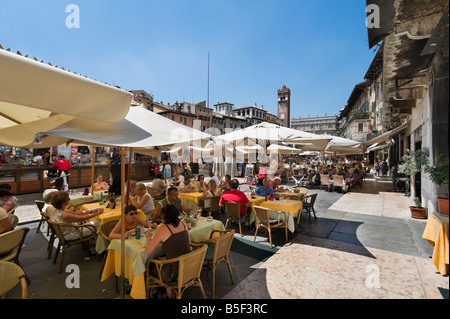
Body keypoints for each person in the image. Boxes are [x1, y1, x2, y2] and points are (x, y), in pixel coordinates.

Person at [145, 204, 191, 299]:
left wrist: (148, 238)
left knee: (148, 265)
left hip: (173, 274)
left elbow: (148, 251)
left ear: (164, 217)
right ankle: (167, 290)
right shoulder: (183, 224)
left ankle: (162, 290)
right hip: (188, 267)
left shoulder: (162, 228)